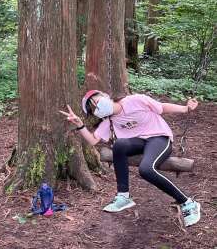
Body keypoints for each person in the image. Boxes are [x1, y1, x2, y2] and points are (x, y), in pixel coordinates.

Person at [60, 90, 200, 227]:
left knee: (146, 170)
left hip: (158, 138)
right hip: (139, 143)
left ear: (105, 96)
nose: (97, 107)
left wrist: (185, 108)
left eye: (97, 102)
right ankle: (123, 196)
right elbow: (93, 140)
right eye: (94, 109)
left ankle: (187, 202)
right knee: (119, 144)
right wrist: (80, 125)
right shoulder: (110, 121)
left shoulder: (135, 100)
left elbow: (161, 107)